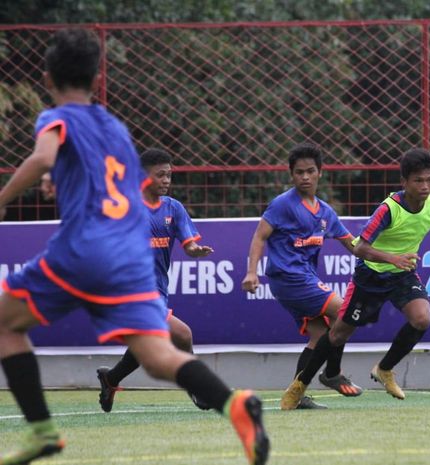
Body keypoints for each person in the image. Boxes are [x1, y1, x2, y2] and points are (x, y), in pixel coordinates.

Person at [0, 29, 268, 465]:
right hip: (127, 257)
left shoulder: (55, 117)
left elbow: (44, 156)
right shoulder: (115, 128)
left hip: (85, 247)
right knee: (160, 355)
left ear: (47, 80)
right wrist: (59, 177)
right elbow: (104, 178)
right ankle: (234, 404)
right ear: (97, 76)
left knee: (6, 324)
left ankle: (43, 431)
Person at [280, 148, 430, 410]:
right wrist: (392, 258)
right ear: (404, 182)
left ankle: (385, 369)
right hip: (370, 276)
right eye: (418, 181)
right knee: (338, 335)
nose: (425, 186)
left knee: (422, 319)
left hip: (402, 275)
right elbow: (359, 248)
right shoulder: (388, 209)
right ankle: (299, 386)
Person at [242, 142, 362, 409]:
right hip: (288, 278)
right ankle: (332, 373)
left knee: (321, 335)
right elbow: (260, 235)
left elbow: (352, 243)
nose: (305, 177)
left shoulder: (325, 212)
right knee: (345, 313)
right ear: (291, 175)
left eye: (310, 171)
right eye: (299, 172)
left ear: (320, 173)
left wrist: (384, 257)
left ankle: (297, 394)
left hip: (303, 279)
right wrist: (251, 272)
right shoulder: (283, 204)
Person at [96, 148, 214, 411]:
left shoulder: (174, 209)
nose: (166, 181)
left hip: (157, 291)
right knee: (182, 334)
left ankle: (110, 378)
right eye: (160, 175)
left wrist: (197, 251)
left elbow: (190, 244)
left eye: (169, 175)